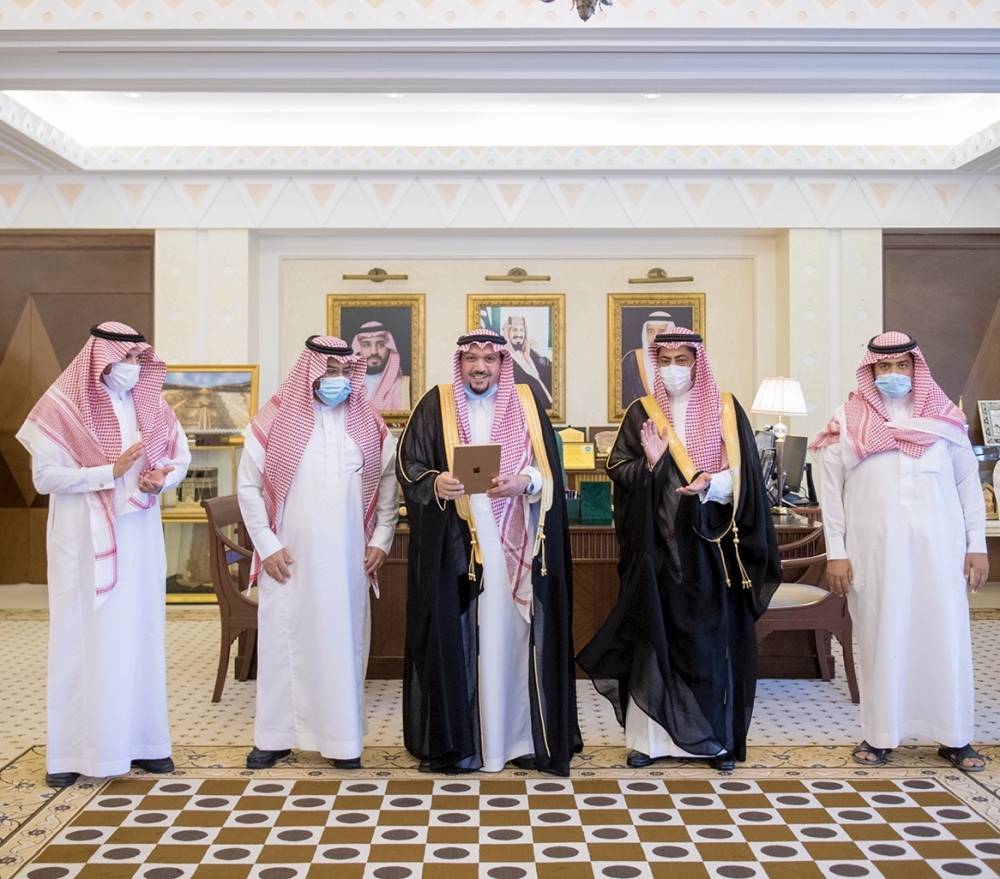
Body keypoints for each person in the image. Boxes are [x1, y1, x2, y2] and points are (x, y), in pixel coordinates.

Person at [579, 328, 780, 772]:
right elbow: (618, 469)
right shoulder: (642, 411)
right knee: (654, 638)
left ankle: (713, 741)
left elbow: (747, 477)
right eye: (665, 359)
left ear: (697, 361)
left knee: (708, 642)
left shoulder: (726, 408)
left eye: (682, 359)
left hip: (711, 549)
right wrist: (652, 465)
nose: (673, 368)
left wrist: (713, 484)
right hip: (656, 549)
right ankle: (648, 741)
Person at [396, 330, 580, 775]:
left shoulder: (526, 404)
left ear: (502, 363)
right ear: (460, 363)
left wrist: (525, 482)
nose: (480, 367)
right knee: (462, 640)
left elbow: (548, 471)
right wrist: (435, 483)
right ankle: (462, 744)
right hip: (456, 548)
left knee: (514, 640)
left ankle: (519, 741)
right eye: (471, 359)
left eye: (489, 359)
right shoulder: (436, 405)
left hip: (516, 546)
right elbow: (408, 465)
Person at [16, 322, 190, 788]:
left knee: (140, 635)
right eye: (124, 358)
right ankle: (72, 753)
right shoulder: (61, 407)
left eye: (137, 359)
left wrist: (162, 478)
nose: (132, 367)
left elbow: (180, 458)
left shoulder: (151, 405)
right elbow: (44, 479)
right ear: (99, 359)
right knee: (83, 639)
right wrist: (107, 471)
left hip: (139, 535)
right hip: (82, 540)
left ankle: (146, 745)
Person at [813, 331, 989, 772]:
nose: (893, 374)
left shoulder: (946, 420)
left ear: (916, 368)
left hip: (941, 553)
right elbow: (830, 494)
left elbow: (968, 486)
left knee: (945, 637)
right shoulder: (848, 421)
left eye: (902, 366)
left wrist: (977, 545)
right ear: (871, 370)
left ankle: (955, 737)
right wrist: (836, 552)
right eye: (884, 367)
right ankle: (881, 736)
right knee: (881, 636)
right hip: (874, 554)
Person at [238, 336, 399, 770]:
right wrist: (266, 544)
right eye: (330, 371)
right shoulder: (274, 421)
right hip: (287, 559)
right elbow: (248, 488)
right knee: (283, 644)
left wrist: (382, 539)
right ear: (310, 371)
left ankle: (342, 741)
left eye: (346, 372)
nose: (339, 380)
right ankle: (274, 737)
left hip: (349, 559)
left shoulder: (368, 423)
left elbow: (388, 485)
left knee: (343, 645)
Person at [351, 320, 411, 412]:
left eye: (381, 345)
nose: (374, 352)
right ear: (358, 349)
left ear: (389, 348)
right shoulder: (348, 386)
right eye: (366, 345)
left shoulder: (402, 386)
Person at [620, 311, 676, 407]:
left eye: (661, 331)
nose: (655, 337)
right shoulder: (631, 360)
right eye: (650, 331)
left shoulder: (678, 363)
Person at [502, 314, 553, 407]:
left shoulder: (529, 352)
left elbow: (547, 367)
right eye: (514, 330)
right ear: (507, 333)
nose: (519, 334)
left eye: (522, 330)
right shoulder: (503, 360)